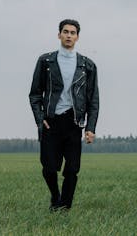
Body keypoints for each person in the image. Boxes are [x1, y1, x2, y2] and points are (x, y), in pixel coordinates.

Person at [29, 19, 99, 211]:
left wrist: (91, 128)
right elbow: (35, 93)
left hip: (74, 122)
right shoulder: (46, 61)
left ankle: (65, 207)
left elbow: (93, 100)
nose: (69, 35)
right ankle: (55, 196)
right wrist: (40, 118)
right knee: (49, 168)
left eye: (73, 32)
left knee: (72, 169)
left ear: (77, 37)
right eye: (65, 32)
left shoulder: (87, 65)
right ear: (59, 34)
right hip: (51, 122)